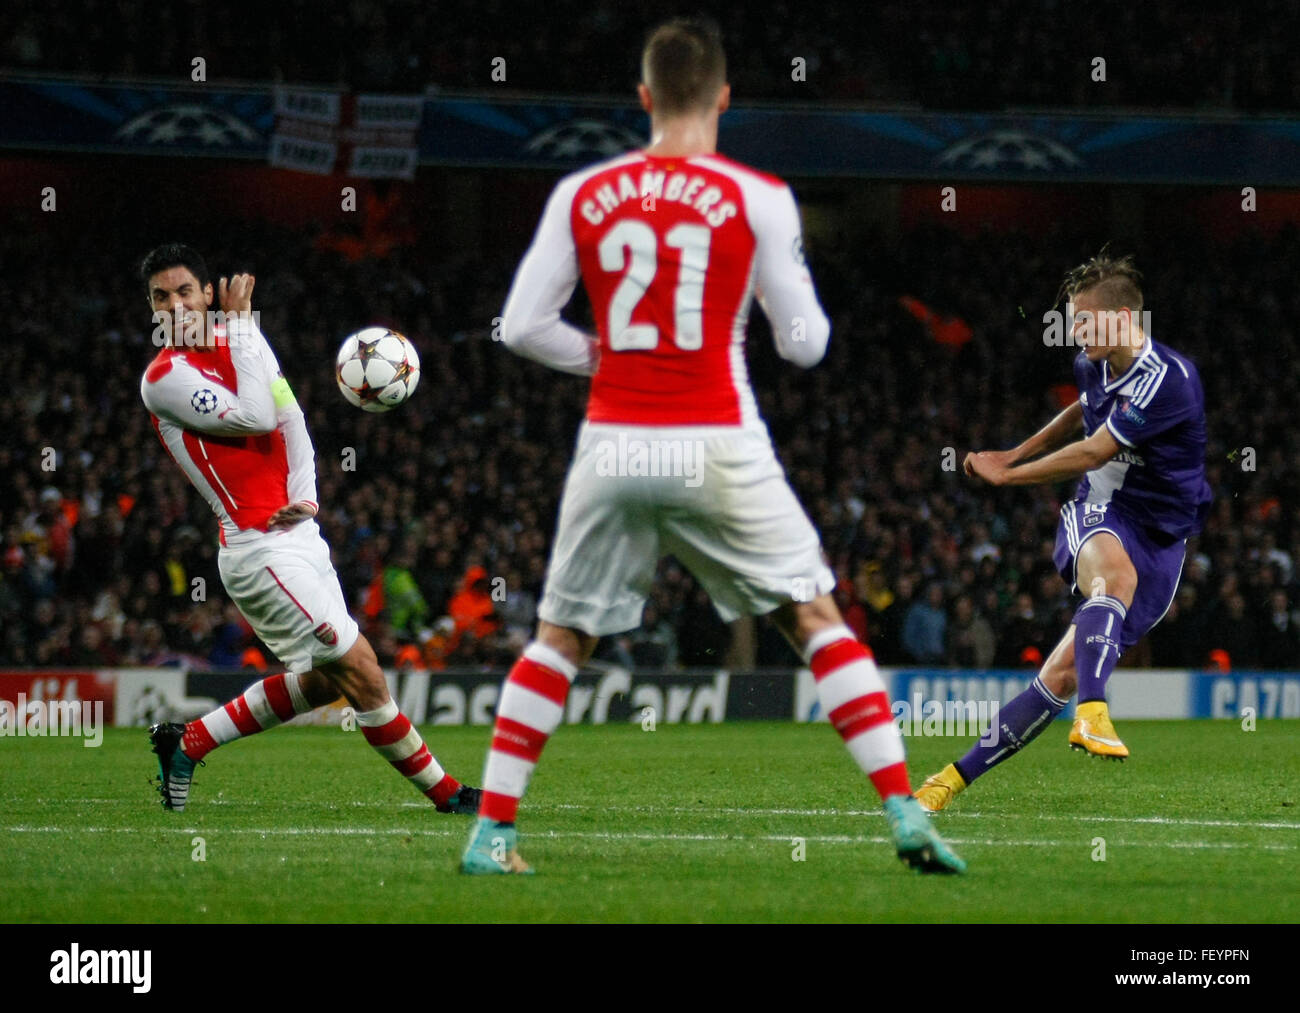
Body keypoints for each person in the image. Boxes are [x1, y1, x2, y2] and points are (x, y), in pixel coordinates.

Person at [460, 17, 963, 875]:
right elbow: (804, 345)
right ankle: (905, 812)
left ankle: (493, 832)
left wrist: (605, 355)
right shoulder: (759, 197)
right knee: (813, 617)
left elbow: (517, 327)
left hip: (613, 439)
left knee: (559, 638)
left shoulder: (583, 191)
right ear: (724, 96)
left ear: (645, 98)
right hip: (715, 436)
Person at [137, 243, 479, 815]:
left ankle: (186, 743)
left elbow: (289, 415)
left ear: (207, 294)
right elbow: (254, 416)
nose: (174, 304)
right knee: (363, 669)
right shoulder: (164, 378)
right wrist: (244, 328)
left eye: (184, 291)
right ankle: (451, 797)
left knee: (325, 682)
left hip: (297, 538)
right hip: (256, 550)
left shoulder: (240, 339)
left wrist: (306, 496)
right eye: (160, 297)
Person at [916, 251, 1212, 811]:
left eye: (1084, 320)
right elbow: (1082, 413)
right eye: (1072, 320)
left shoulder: (1169, 381)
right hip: (1101, 506)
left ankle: (945, 783)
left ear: (1124, 316)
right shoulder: (1091, 363)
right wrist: (1016, 451)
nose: (1074, 332)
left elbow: (1098, 445)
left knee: (1061, 671)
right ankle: (1095, 714)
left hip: (1163, 535)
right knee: (1113, 579)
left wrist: (1009, 474)